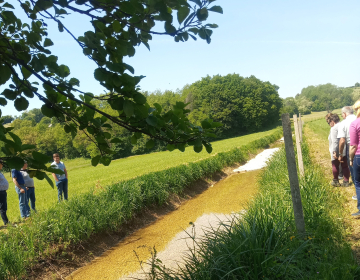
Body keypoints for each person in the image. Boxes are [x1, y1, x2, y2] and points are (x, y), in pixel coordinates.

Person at [326, 113, 350, 187]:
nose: (329, 124)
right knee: (345, 166)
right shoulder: (343, 125)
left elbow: (335, 142)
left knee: (335, 165)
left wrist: (334, 152)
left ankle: (336, 181)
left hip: (336, 150)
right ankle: (346, 181)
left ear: (332, 121)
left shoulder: (334, 128)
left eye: (329, 122)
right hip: (344, 149)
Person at [337, 106, 357, 192]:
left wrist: (340, 154)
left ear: (345, 114)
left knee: (355, 172)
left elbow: (342, 140)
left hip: (351, 147)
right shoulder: (358, 118)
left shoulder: (343, 123)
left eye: (342, 114)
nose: (342, 116)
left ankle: (358, 194)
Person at [349, 100, 360, 216]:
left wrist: (351, 159)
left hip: (359, 156)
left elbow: (353, 146)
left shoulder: (355, 124)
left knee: (358, 183)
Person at [0, 160, 9, 225]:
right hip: (0, 192)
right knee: (2, 207)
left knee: (3, 207)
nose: (2, 165)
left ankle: (6, 221)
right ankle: (6, 222)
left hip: (2, 192)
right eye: (1, 164)